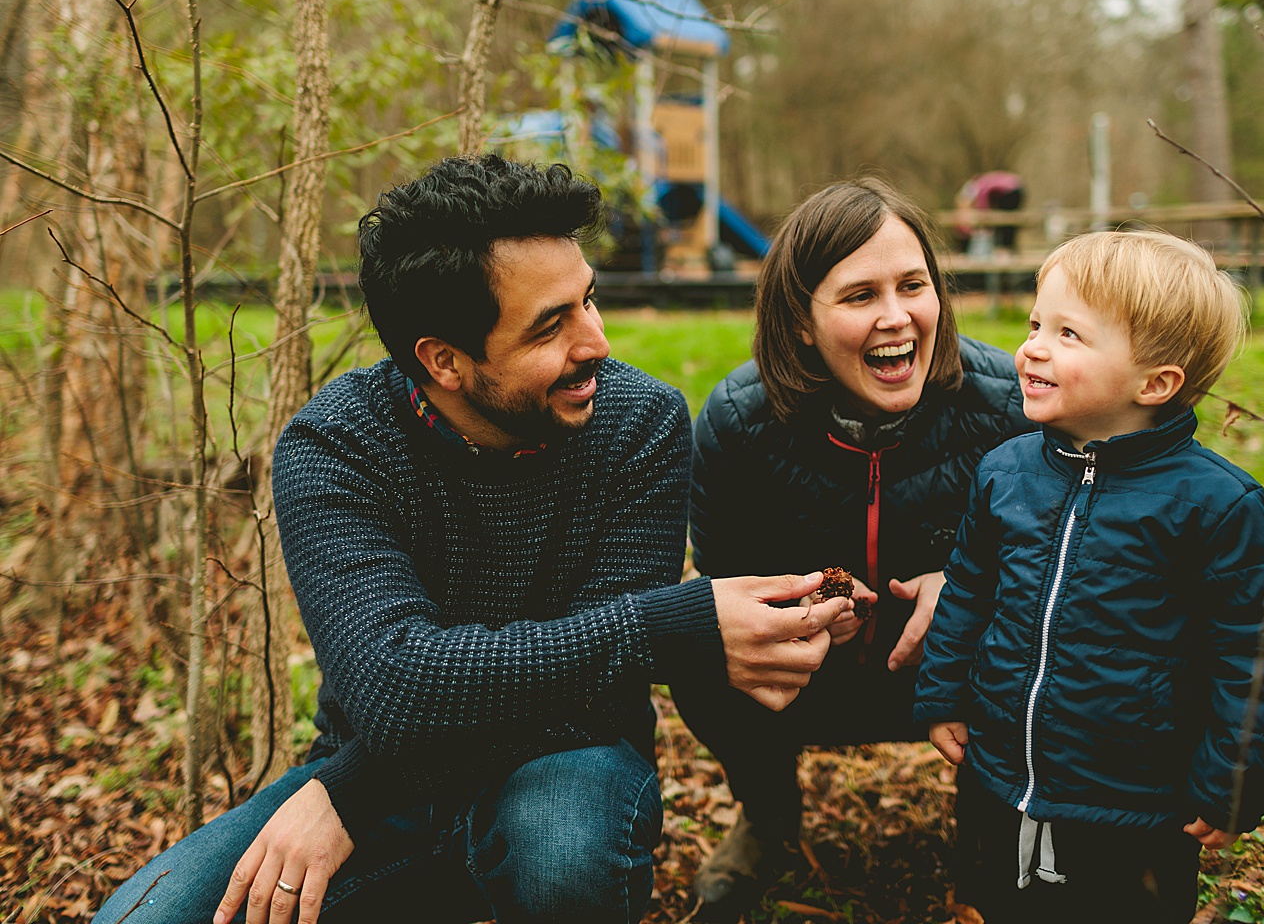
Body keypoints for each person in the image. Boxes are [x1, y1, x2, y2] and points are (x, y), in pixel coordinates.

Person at [91, 156, 854, 924]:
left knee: (564, 852)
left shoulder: (640, 422)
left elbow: (594, 700)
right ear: (444, 361)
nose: (597, 343)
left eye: (588, 301)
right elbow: (396, 686)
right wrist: (665, 626)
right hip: (381, 775)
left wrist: (350, 794)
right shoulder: (337, 447)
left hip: (560, 763)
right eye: (551, 325)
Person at [915, 229, 1264, 923]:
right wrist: (943, 692)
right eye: (1037, 324)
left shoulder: (1217, 507)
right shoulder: (1005, 472)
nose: (1033, 347)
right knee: (1002, 903)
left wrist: (1234, 779)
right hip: (1002, 776)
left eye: (1069, 334)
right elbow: (969, 588)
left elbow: (1256, 653)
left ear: (1155, 383)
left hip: (1135, 802)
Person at [670, 177, 1032, 913]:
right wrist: (804, 604)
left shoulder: (1011, 408)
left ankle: (990, 842)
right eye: (860, 296)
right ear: (801, 322)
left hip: (956, 681)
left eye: (912, 285)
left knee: (1039, 638)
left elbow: (1079, 569)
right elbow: (725, 578)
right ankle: (769, 823)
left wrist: (969, 588)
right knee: (698, 638)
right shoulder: (740, 423)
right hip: (812, 676)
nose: (896, 317)